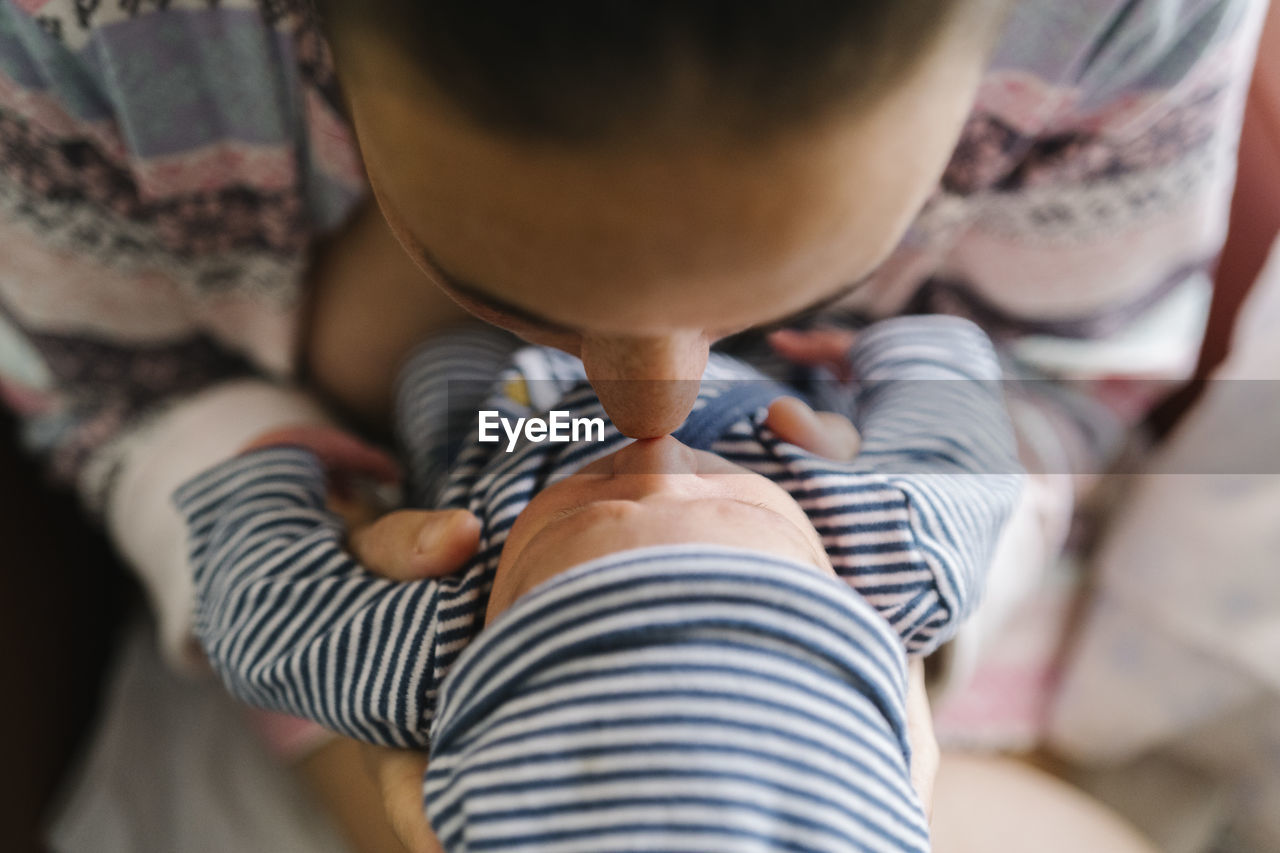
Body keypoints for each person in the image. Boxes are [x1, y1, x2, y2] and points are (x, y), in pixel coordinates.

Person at [0, 0, 1265, 848]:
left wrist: (294, 538)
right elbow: (111, 385)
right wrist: (874, 641)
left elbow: (274, 623)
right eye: (516, 286)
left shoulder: (433, 629)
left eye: (795, 285)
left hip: (481, 452)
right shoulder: (877, 542)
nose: (647, 408)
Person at [178, 314, 1021, 850]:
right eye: (735, 517)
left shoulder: (437, 645)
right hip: (752, 354)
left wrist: (272, 477)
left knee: (434, 361)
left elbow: (261, 628)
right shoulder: (887, 557)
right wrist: (904, 352)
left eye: (588, 521)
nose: (657, 463)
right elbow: (960, 459)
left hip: (509, 409)